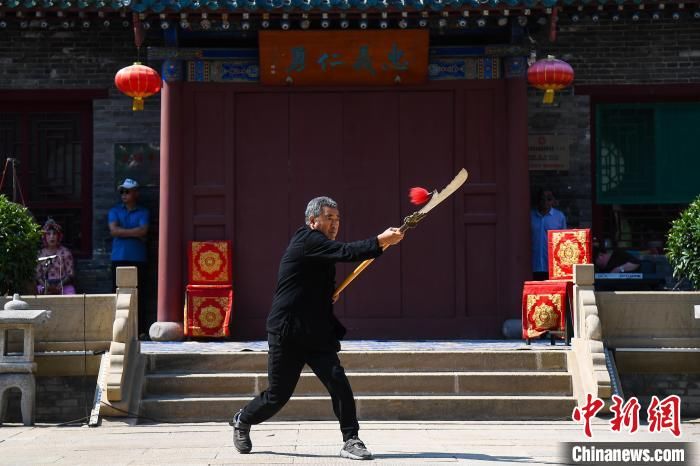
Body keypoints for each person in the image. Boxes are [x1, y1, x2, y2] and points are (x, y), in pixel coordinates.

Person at [231, 196, 404, 461]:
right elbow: (347, 252)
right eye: (329, 218)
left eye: (338, 219)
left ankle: (351, 440)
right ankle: (243, 419)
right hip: (287, 331)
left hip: (316, 331)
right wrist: (380, 240)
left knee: (338, 382)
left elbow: (316, 275)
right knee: (277, 396)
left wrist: (325, 293)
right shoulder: (308, 240)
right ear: (313, 221)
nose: (335, 224)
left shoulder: (321, 248)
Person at [108, 178, 150, 338]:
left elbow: (144, 231)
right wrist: (135, 233)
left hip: (138, 258)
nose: (124, 195)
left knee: (140, 295)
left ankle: (140, 331)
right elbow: (113, 231)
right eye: (122, 192)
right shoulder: (114, 210)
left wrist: (123, 231)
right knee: (118, 295)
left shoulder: (144, 211)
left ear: (135, 193)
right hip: (119, 257)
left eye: (127, 191)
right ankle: (119, 330)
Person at [530, 188, 567, 280]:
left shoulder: (559, 217)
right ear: (538, 200)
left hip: (553, 264)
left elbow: (564, 241)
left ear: (553, 201)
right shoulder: (530, 216)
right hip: (532, 264)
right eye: (542, 199)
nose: (545, 202)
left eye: (549, 199)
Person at [35, 218, 76, 295]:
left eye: (54, 234)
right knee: (37, 292)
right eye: (48, 234)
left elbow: (70, 273)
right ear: (44, 237)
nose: (52, 237)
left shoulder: (65, 252)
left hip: (62, 284)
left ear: (58, 236)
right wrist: (45, 285)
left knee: (71, 292)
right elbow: (37, 275)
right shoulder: (40, 253)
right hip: (45, 284)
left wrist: (61, 284)